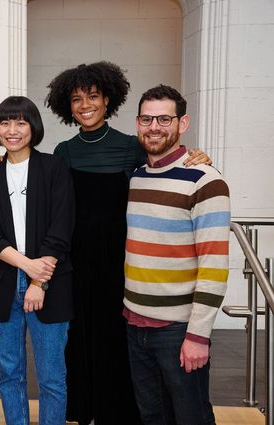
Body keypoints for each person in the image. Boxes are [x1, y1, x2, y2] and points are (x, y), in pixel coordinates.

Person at [45, 61, 210, 425]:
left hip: (122, 265)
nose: (84, 105)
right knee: (79, 341)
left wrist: (195, 155)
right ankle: (85, 409)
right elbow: (47, 195)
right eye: (76, 99)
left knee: (118, 344)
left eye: (92, 96)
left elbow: (162, 167)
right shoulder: (63, 152)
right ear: (67, 106)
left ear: (108, 100)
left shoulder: (130, 146)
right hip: (77, 265)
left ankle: (118, 414)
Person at [124, 84, 230, 425]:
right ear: (137, 123)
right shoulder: (138, 176)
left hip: (178, 330)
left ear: (182, 123)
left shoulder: (206, 180)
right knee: (152, 416)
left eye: (164, 119)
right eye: (147, 118)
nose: (154, 126)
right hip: (135, 324)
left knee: (192, 417)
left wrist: (198, 336)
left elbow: (214, 266)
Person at [0, 96, 75, 424]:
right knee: (9, 374)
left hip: (49, 283)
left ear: (33, 126)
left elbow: (61, 228)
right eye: (5, 122)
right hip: (4, 283)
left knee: (51, 378)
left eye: (20, 122)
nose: (12, 130)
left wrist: (38, 279)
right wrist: (27, 266)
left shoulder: (53, 168)